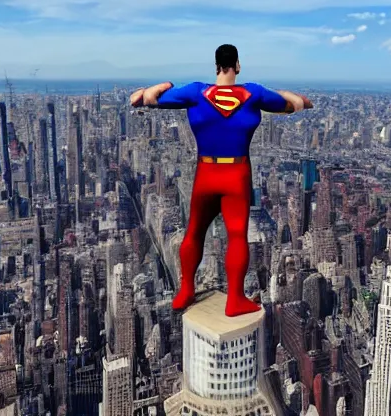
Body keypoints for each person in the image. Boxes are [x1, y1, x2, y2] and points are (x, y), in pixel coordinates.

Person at [130, 44, 313, 316]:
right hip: (237, 174)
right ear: (237, 65)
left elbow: (139, 98)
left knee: (194, 232)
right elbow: (297, 104)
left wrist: (165, 83)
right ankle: (235, 299)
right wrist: (285, 95)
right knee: (237, 234)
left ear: (216, 66)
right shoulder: (253, 93)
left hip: (206, 173)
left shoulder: (196, 92)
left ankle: (186, 291)